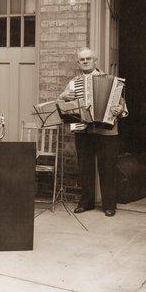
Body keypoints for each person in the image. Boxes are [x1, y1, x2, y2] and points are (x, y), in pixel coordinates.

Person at [59, 48, 127, 217]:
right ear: (78, 63)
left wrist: (120, 109)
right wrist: (65, 96)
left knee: (108, 168)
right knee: (85, 167)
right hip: (83, 131)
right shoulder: (73, 83)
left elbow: (124, 107)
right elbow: (61, 102)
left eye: (88, 58)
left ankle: (109, 205)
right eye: (82, 59)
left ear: (95, 61)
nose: (85, 61)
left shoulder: (112, 81)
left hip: (107, 131)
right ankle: (86, 202)